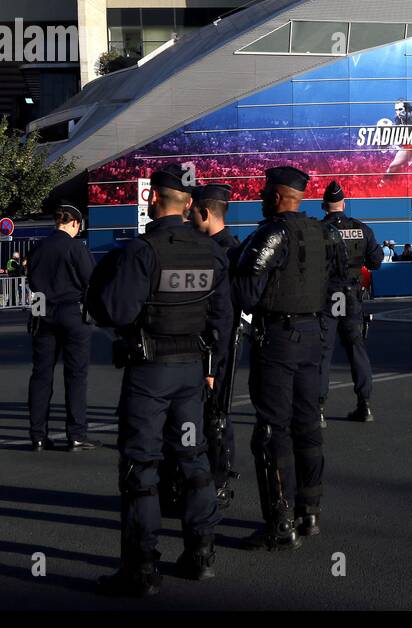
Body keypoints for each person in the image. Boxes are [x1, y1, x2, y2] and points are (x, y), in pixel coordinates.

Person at [87, 166, 230, 596]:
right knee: (193, 459)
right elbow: (223, 317)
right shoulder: (212, 252)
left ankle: (142, 568)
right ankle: (200, 554)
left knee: (141, 465)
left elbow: (117, 310)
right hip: (191, 373)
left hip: (150, 374)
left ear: (152, 200)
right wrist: (210, 368)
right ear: (189, 205)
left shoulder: (142, 251)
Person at [232, 166, 348, 550]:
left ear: (279, 197)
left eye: (267, 193)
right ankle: (309, 511)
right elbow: (339, 277)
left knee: (272, 430)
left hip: (279, 339)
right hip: (314, 337)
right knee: (307, 425)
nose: (263, 199)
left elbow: (247, 293)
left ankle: (280, 520)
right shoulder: (324, 232)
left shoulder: (271, 233)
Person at [25, 204, 97, 452]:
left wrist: (37, 313)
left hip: (42, 310)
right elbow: (91, 281)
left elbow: (32, 282)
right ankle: (76, 434)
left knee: (41, 375)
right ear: (75, 223)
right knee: (76, 376)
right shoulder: (76, 247)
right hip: (72, 313)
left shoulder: (38, 247)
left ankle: (38, 436)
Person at [188, 182, 243, 508]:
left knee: (215, 415)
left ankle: (219, 479)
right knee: (211, 414)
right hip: (213, 343)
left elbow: (225, 312)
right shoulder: (229, 249)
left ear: (205, 212)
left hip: (217, 346)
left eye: (193, 211)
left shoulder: (222, 252)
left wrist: (212, 359)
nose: (189, 216)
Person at [318, 180, 385, 426]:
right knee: (357, 350)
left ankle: (319, 409)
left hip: (325, 295)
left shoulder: (316, 230)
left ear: (324, 205)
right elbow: (376, 261)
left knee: (322, 353)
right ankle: (364, 404)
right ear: (344, 204)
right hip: (352, 295)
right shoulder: (361, 229)